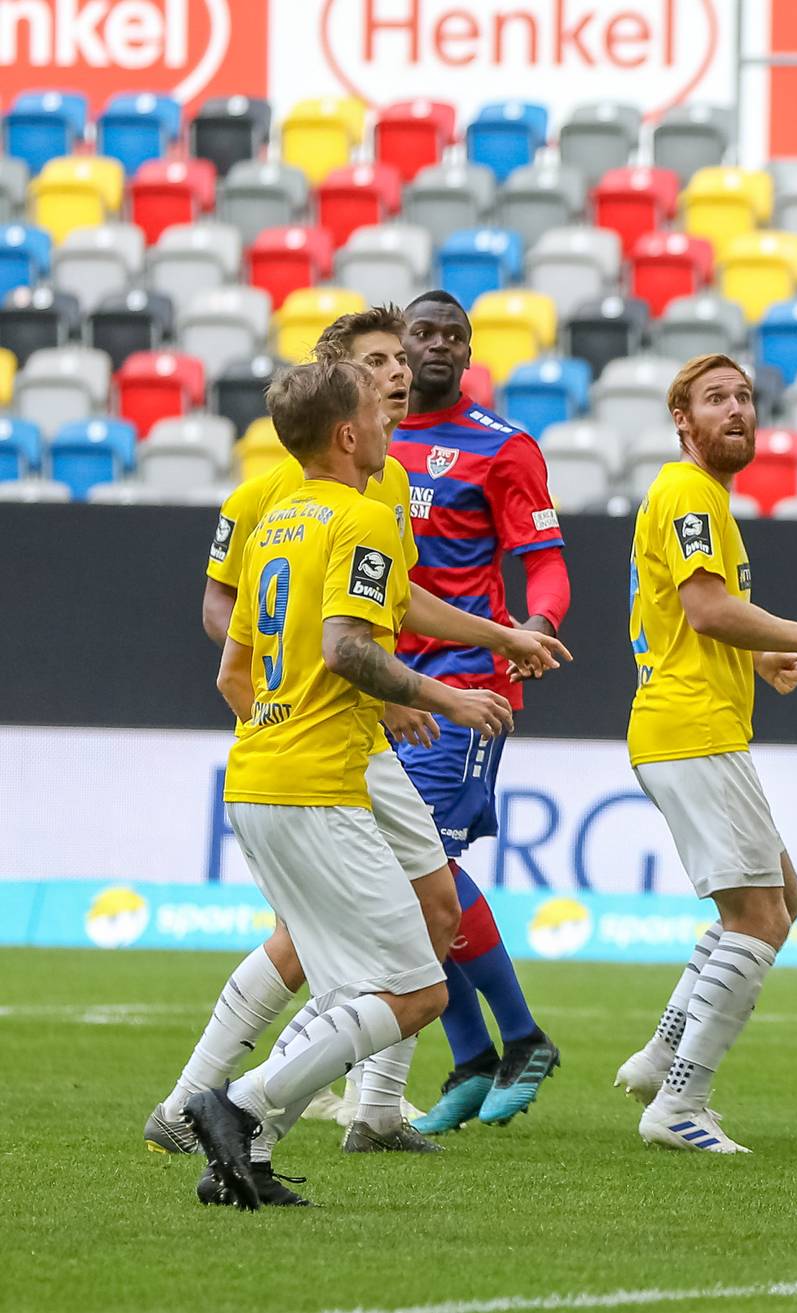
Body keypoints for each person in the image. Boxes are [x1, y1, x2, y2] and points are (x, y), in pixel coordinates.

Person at [150, 310, 566, 1181]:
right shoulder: (270, 494)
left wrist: (498, 636)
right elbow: (259, 627)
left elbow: (397, 602)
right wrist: (335, 706)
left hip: (347, 734)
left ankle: (370, 1110)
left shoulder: (381, 485)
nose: (401, 373)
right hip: (322, 744)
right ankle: (206, 1102)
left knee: (434, 909)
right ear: (337, 383)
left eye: (400, 359)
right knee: (338, 954)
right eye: (378, 362)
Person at [621, 355, 797, 1154]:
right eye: (716, 398)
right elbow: (707, 609)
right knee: (760, 915)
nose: (737, 409)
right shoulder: (689, 491)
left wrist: (761, 657)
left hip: (685, 723)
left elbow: (686, 621)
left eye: (746, 396)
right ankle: (680, 1099)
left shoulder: (702, 496)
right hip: (691, 727)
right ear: (682, 420)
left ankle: (662, 1054)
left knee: (779, 897)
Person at [389, 290, 573, 1133]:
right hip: (389, 685)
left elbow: (546, 562)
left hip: (468, 682)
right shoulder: (369, 440)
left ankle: (522, 1035)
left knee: (425, 860)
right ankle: (470, 1057)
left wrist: (538, 627)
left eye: (452, 336)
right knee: (400, 877)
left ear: (469, 352)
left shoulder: (502, 446)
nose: (437, 345)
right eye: (422, 333)